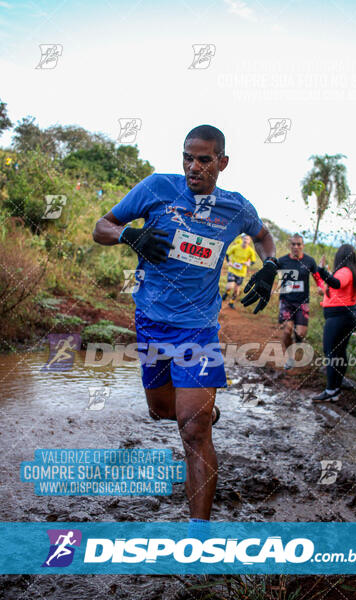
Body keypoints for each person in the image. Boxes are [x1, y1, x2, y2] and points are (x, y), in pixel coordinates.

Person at [92, 125, 277, 524]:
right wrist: (131, 235)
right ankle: (203, 409)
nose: (194, 167)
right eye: (187, 157)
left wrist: (270, 265)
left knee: (192, 432)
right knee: (162, 411)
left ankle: (199, 534)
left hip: (198, 330)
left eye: (204, 159)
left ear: (222, 163)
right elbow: (100, 227)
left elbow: (264, 237)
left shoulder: (235, 208)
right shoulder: (157, 187)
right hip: (152, 323)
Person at [312, 244, 356, 402]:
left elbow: (336, 283)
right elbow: (334, 287)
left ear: (340, 257)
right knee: (339, 353)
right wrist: (324, 276)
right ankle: (335, 389)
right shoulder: (349, 272)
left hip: (340, 317)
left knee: (331, 352)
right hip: (343, 316)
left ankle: (331, 390)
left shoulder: (345, 271)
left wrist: (321, 271)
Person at [277, 234, 325, 370]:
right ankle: (290, 358)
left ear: (303, 245)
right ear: (289, 246)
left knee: (301, 333)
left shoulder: (309, 261)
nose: (296, 247)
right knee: (287, 331)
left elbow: (318, 278)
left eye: (299, 244)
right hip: (286, 301)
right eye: (293, 244)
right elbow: (270, 276)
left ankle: (297, 341)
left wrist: (321, 287)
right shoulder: (282, 261)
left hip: (302, 303)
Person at [222, 234, 256, 309]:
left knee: (236, 290)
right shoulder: (236, 247)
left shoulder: (250, 251)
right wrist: (229, 262)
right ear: (242, 239)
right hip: (232, 270)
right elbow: (227, 254)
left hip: (241, 272)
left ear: (249, 241)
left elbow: (253, 261)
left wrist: (249, 263)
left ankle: (231, 302)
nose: (245, 240)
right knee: (230, 286)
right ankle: (226, 293)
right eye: (244, 239)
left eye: (247, 239)